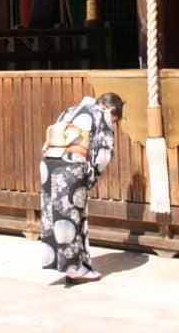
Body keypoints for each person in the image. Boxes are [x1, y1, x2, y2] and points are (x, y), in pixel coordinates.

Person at [40, 91, 124, 283]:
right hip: (71, 166)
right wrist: (92, 176)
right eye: (115, 119)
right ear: (111, 109)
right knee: (74, 217)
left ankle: (57, 260)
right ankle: (75, 268)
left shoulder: (70, 110)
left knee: (53, 214)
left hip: (49, 162)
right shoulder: (101, 115)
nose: (113, 123)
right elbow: (104, 154)